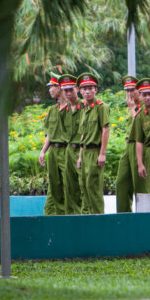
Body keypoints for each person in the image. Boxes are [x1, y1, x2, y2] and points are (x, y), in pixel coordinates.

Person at [76, 72, 110, 214]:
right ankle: (87, 218)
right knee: (84, 187)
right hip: (84, 152)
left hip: (95, 151)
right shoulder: (84, 108)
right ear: (80, 91)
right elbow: (83, 135)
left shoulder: (102, 107)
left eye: (90, 88)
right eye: (84, 89)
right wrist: (79, 156)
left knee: (93, 187)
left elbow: (105, 129)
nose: (87, 91)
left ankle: (98, 218)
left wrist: (102, 153)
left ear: (96, 90)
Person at [40, 75, 68, 215]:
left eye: (52, 87)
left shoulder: (71, 108)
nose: (50, 90)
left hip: (66, 150)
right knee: (53, 184)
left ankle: (66, 214)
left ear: (59, 87)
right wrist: (43, 151)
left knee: (68, 184)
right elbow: (50, 133)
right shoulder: (52, 110)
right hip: (53, 152)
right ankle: (50, 214)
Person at [115, 75, 141, 212]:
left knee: (140, 186)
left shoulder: (143, 106)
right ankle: (123, 216)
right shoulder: (133, 106)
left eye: (132, 90)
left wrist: (132, 109)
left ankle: (143, 218)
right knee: (121, 183)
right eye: (127, 91)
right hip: (128, 146)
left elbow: (141, 125)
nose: (130, 94)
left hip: (140, 146)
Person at [59, 74, 83, 214]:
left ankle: (83, 214)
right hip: (69, 149)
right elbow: (63, 131)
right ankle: (71, 216)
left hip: (81, 150)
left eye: (71, 90)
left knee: (82, 185)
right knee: (69, 186)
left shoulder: (84, 107)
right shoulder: (64, 111)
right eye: (65, 90)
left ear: (77, 89)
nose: (68, 93)